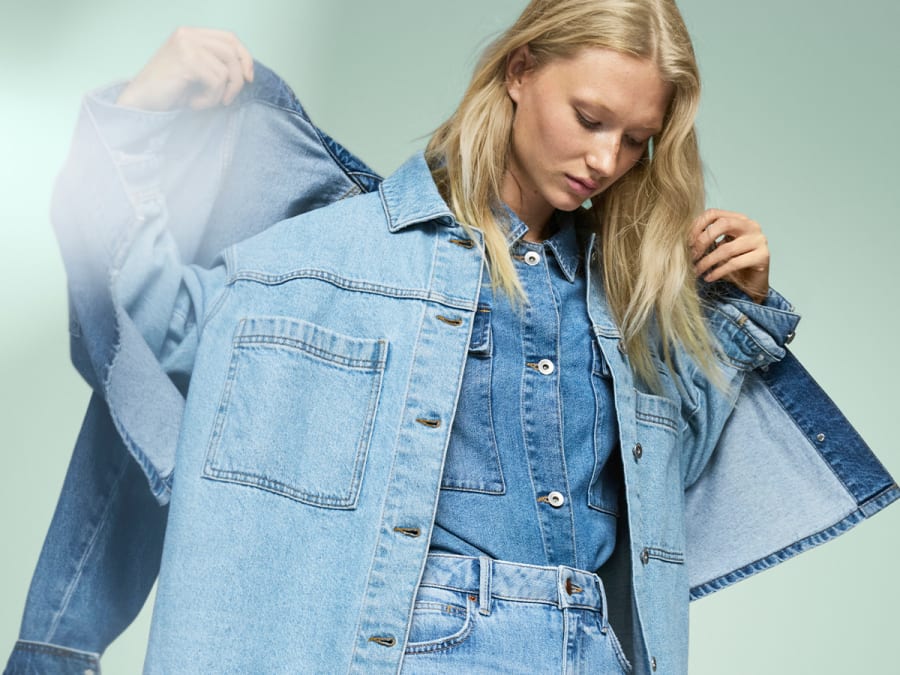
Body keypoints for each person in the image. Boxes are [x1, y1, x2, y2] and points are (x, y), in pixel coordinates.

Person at [4, 1, 897, 673]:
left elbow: (662, 477)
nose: (605, 161)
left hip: (595, 647)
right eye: (589, 118)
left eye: (637, 141)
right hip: (432, 644)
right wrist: (134, 122)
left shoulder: (619, 295)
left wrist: (735, 318)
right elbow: (158, 316)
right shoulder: (344, 256)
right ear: (517, 71)